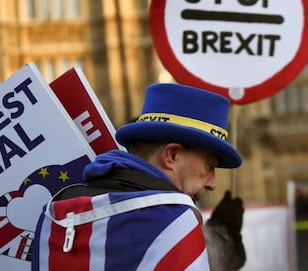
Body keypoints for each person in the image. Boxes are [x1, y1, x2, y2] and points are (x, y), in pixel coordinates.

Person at [31, 83, 245, 270]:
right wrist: (224, 237)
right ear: (172, 155)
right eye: (209, 166)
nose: (212, 184)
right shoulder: (176, 221)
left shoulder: (54, 212)